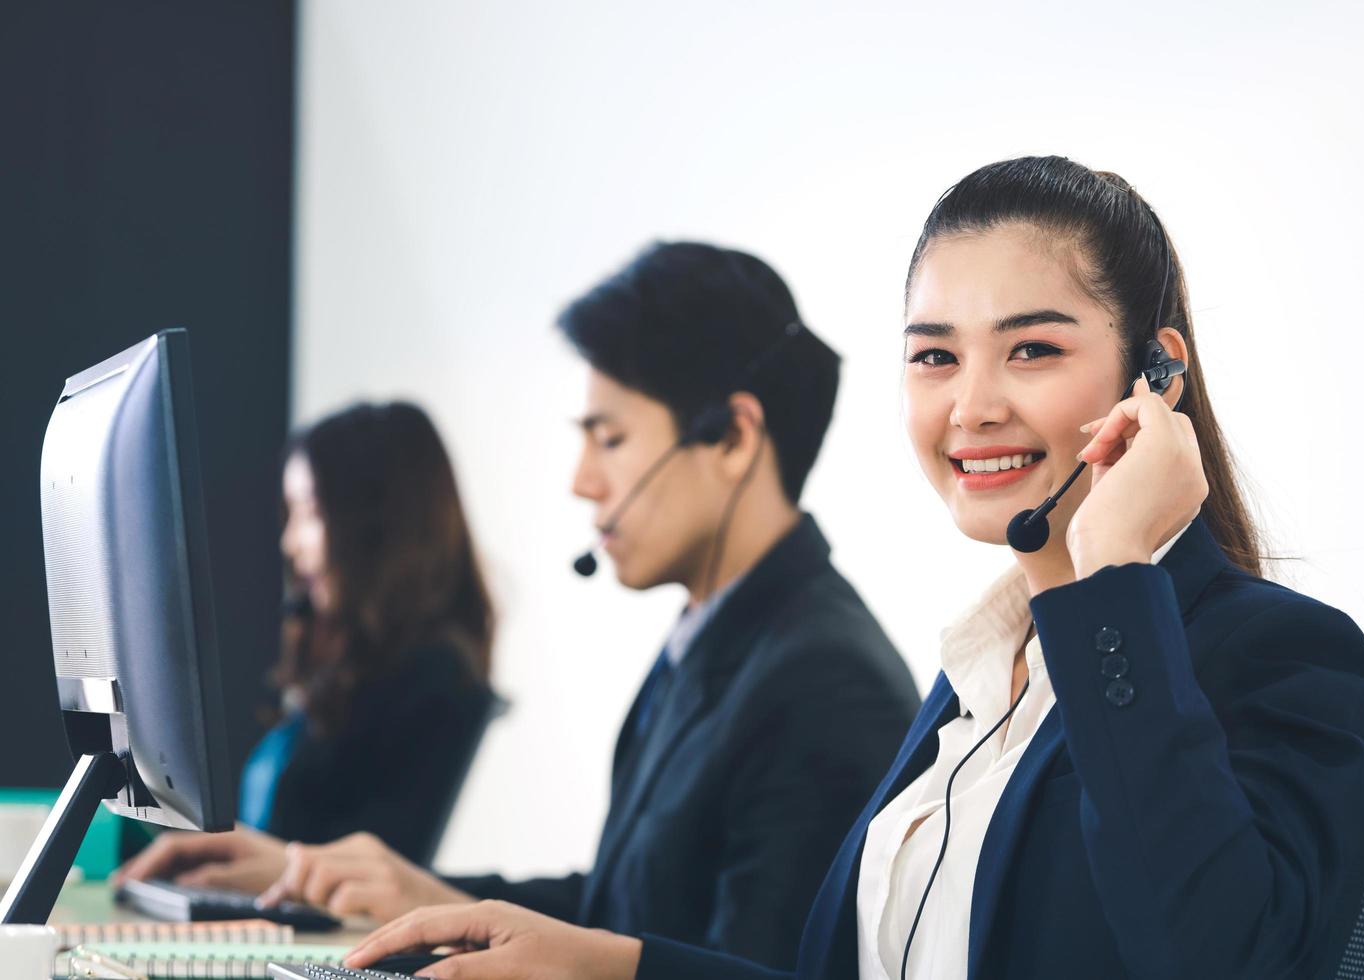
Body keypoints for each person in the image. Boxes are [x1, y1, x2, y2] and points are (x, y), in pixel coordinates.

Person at [342, 157, 1364, 980]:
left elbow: (1213, 956)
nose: (970, 404)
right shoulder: (980, 674)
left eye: (1031, 349)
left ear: (1157, 370)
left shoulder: (1278, 653)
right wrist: (610, 963)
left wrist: (1114, 576)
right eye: (935, 355)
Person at [123, 242, 921, 973]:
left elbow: (753, 970)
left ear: (733, 439)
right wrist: (417, 891)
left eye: (608, 438)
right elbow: (622, 907)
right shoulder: (716, 639)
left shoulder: (822, 678)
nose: (582, 481)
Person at [117, 401, 498, 883]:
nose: (290, 544)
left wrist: (277, 873)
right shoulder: (344, 676)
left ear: (380, 526)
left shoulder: (438, 681)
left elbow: (379, 878)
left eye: (310, 513)